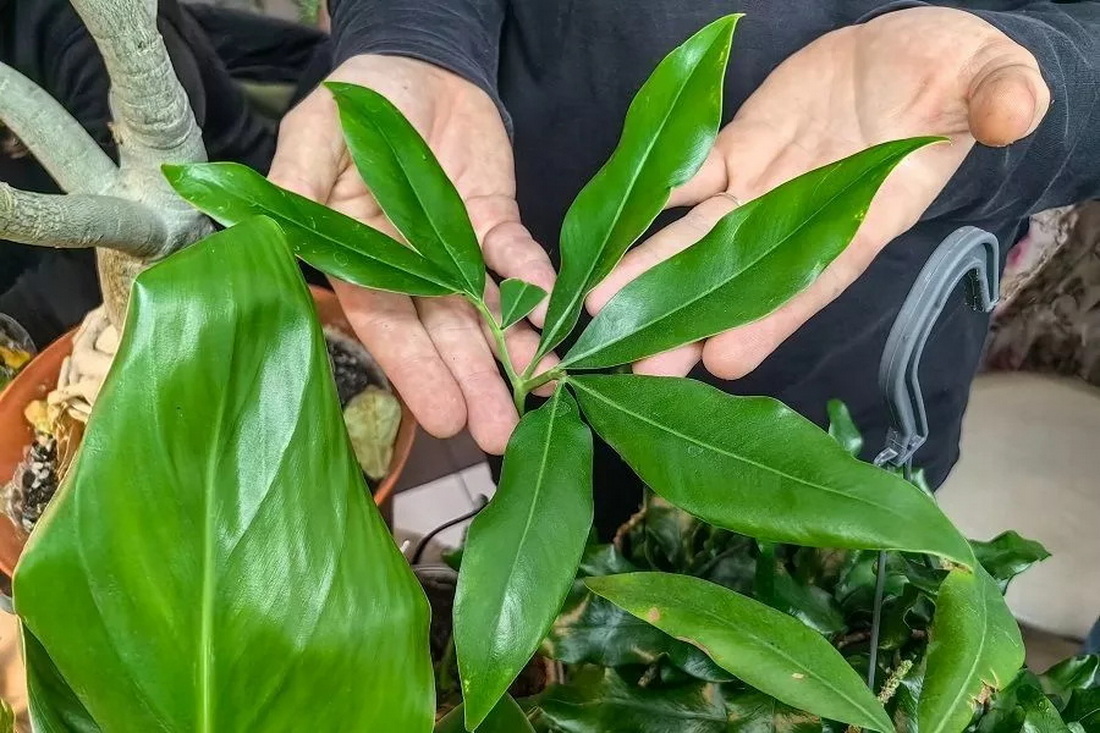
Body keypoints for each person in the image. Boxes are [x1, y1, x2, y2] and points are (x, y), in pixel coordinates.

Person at [270, 1, 1100, 537]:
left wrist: (1041, 86)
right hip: (516, 270)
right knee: (572, 571)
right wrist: (418, 35)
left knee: (805, 622)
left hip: (861, 355)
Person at [0, 0, 326, 347]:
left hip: (234, 249)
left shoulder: (74, 25)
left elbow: (115, 238)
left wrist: (14, 331)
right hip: (89, 266)